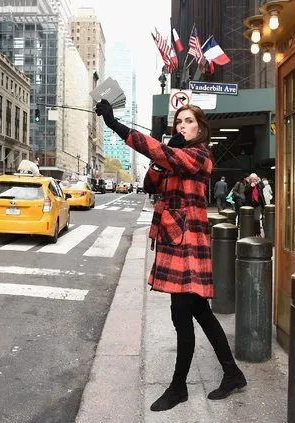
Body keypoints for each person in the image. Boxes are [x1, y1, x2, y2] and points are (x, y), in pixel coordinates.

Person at [95, 99, 246, 412]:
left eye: (188, 121)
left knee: (183, 313)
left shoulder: (200, 154)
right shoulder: (178, 155)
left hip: (188, 241)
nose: (182, 126)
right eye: (179, 122)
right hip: (173, 238)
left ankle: (179, 387)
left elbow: (161, 153)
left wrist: (115, 125)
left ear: (201, 128)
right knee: (199, 311)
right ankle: (231, 373)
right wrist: (161, 160)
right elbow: (152, 182)